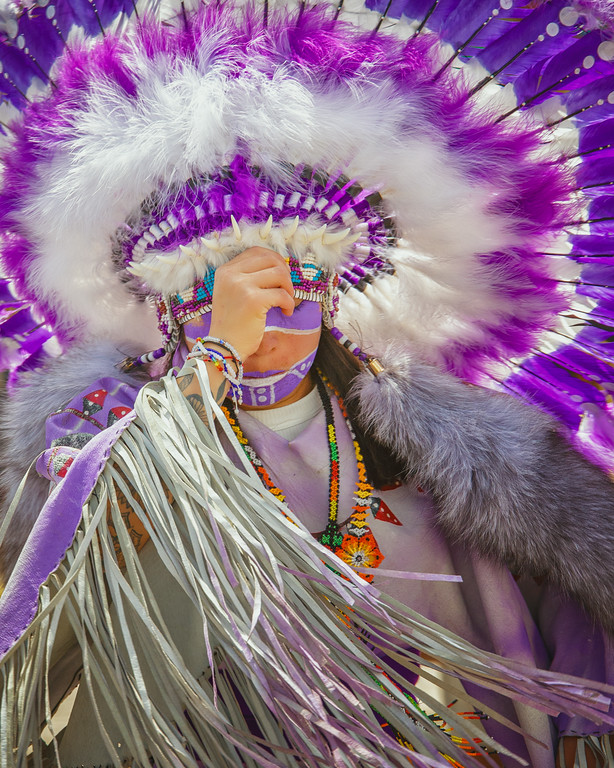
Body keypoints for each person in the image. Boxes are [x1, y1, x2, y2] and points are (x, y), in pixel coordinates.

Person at [1, 3, 614, 768]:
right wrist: (214, 359)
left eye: (296, 282)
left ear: (334, 292)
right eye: (220, 290)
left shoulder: (429, 447)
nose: (269, 312)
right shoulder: (103, 431)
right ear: (166, 308)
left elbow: (522, 637)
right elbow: (78, 571)